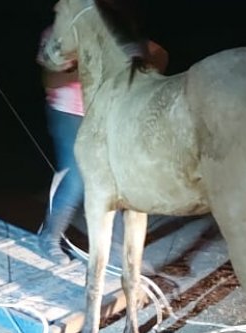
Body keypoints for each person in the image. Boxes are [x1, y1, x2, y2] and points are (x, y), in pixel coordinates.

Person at [33, 22, 168, 263]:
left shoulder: (113, 28)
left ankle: (116, 251)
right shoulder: (58, 32)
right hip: (68, 113)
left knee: (112, 180)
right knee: (75, 177)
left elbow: (159, 54)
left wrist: (140, 68)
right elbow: (50, 79)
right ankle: (49, 236)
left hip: (104, 114)